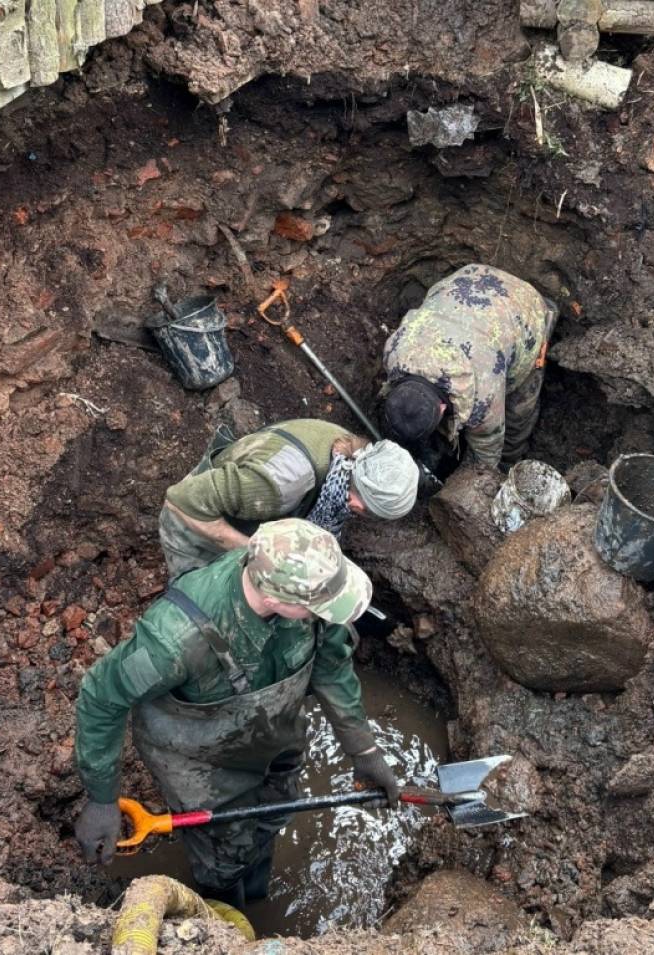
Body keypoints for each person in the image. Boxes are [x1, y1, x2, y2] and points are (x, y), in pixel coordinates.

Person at [73, 518, 399, 908]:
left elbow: (331, 666)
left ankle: (257, 896)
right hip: (202, 765)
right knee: (223, 857)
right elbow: (102, 697)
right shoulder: (176, 639)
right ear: (276, 598)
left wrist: (364, 752)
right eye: (320, 607)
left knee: (275, 815)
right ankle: (223, 914)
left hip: (275, 739)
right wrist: (102, 798)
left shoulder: (311, 605)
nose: (330, 614)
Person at [159, 419, 419, 581]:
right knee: (203, 598)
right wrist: (258, 552)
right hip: (192, 522)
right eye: (370, 512)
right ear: (358, 503)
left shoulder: (350, 453)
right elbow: (181, 499)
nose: (364, 516)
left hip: (246, 496)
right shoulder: (284, 483)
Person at [380, 264, 557, 471]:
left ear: (443, 408)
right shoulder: (395, 351)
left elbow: (486, 454)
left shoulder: (483, 401)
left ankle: (509, 467)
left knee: (518, 413)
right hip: (467, 278)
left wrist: (483, 478)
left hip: (526, 312)